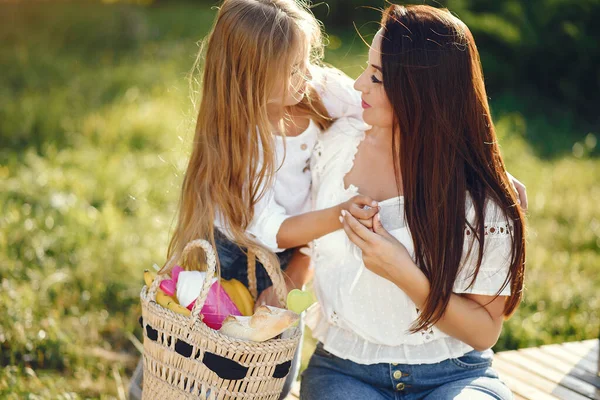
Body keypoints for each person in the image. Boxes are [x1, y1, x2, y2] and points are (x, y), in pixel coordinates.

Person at [129, 1, 377, 399]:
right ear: (252, 78)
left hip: (293, 253)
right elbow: (270, 230)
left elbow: (385, 113)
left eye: (305, 60)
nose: (306, 74)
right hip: (233, 255)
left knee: (270, 376)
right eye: (292, 69)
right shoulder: (243, 143)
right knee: (194, 362)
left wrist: (476, 166)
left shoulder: (320, 90)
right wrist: (339, 214)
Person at [301, 4, 526, 399]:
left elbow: (484, 330)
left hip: (453, 374)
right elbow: (281, 71)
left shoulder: (480, 201)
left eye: (376, 77)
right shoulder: (339, 144)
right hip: (345, 370)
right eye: (366, 68)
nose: (358, 85)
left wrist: (403, 272)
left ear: (422, 93)